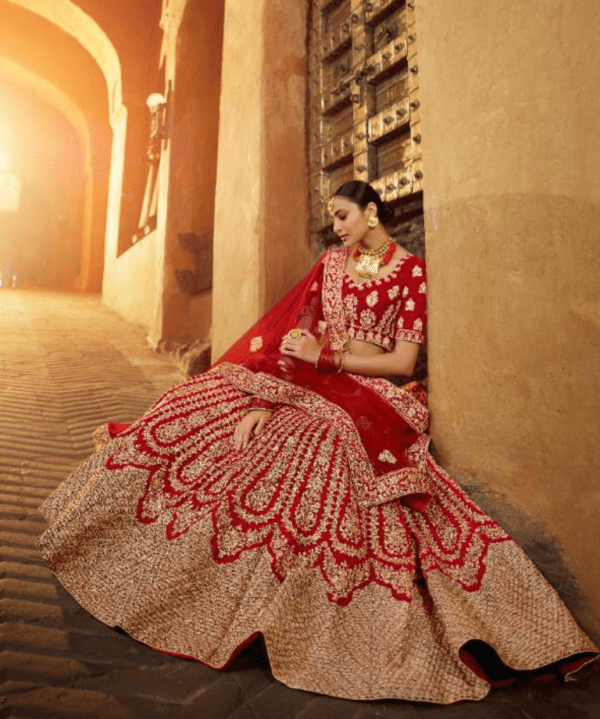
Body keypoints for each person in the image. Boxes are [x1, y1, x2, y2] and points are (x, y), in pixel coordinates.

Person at [37, 181, 597, 704]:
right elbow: (288, 338)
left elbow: (400, 364)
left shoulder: (411, 274)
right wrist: (263, 398)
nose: (335, 226)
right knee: (199, 410)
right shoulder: (331, 266)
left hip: (374, 396)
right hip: (310, 381)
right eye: (332, 216)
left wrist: (328, 358)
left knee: (314, 452)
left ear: (372, 212)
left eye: (342, 215)